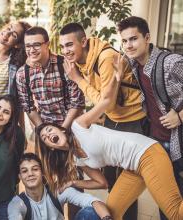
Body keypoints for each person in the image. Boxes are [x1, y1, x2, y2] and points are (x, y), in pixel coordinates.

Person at [35, 60, 183, 220]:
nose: (48, 136)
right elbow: (102, 182)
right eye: (45, 139)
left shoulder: (78, 126)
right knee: (110, 213)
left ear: (60, 129)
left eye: (49, 131)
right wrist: (73, 182)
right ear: (50, 147)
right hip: (133, 168)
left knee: (176, 213)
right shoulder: (78, 161)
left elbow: (106, 102)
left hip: (148, 154)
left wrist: (116, 79)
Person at [116, 16, 183, 219]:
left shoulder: (172, 63)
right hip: (157, 141)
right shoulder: (133, 62)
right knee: (167, 201)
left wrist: (181, 116)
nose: (128, 45)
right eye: (124, 40)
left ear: (147, 38)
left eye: (133, 39)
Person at [59, 22, 146, 220]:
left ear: (84, 41)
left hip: (131, 122)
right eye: (63, 46)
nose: (66, 51)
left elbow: (107, 103)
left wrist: (77, 79)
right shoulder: (84, 62)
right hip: (113, 121)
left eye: (70, 45)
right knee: (113, 181)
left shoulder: (105, 58)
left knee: (127, 183)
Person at [16, 26, 85, 129]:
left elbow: (77, 102)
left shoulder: (65, 65)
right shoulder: (22, 73)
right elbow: (28, 106)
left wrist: (63, 129)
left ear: (47, 44)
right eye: (28, 46)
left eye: (37, 45)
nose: (32, 50)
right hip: (45, 128)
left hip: (73, 126)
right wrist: (42, 130)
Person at [8, 153, 112, 220]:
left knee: (90, 212)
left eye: (35, 169)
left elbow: (94, 202)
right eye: (25, 171)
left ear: (42, 172)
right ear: (20, 177)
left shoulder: (57, 191)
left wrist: (107, 218)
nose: (30, 174)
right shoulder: (17, 203)